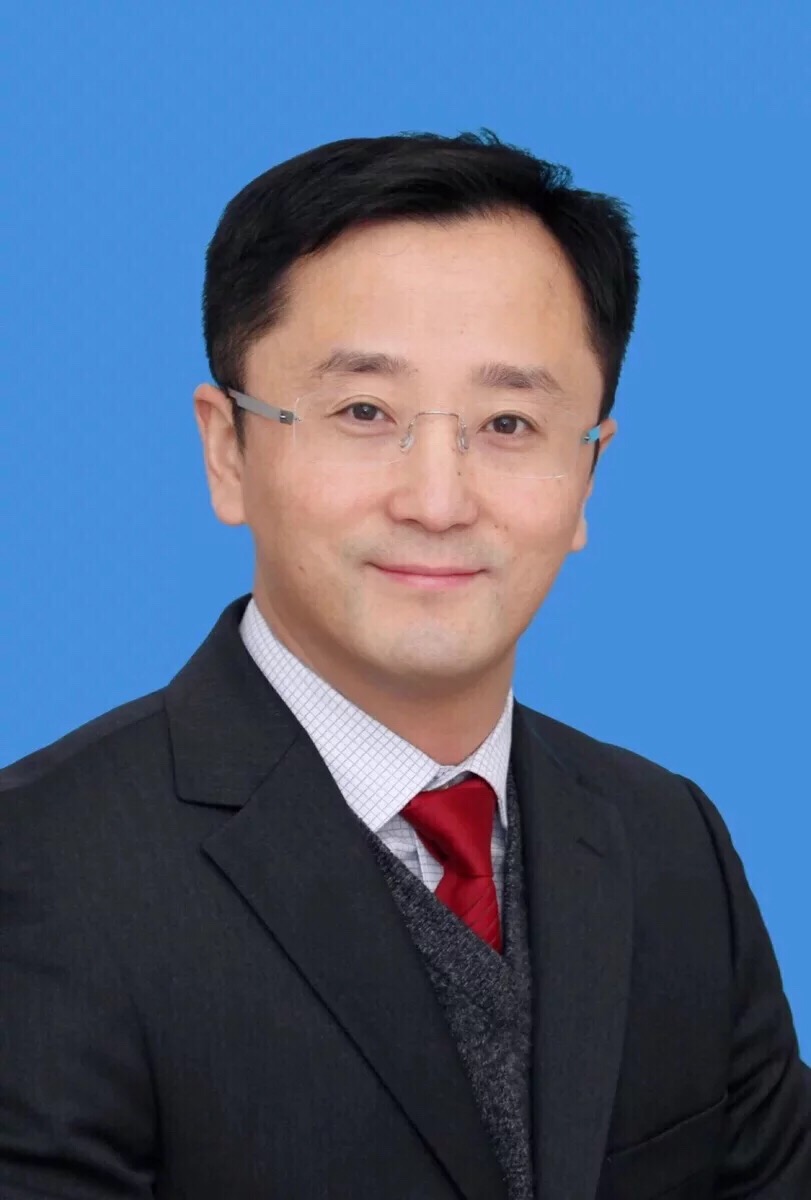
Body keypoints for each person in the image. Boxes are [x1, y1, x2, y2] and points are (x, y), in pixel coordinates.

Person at [1, 129, 808, 1200]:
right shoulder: (39, 872)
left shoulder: (670, 843)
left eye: (509, 422)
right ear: (227, 448)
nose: (437, 499)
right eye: (364, 413)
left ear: (589, 472)